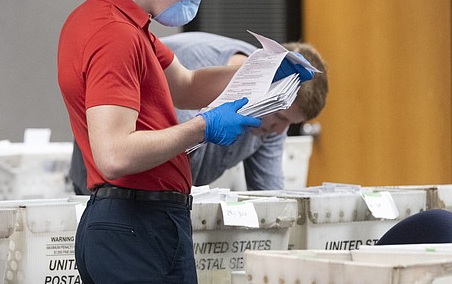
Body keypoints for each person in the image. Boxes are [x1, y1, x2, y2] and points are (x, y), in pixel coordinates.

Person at [58, 0, 313, 284]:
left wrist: (261, 71)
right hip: (141, 224)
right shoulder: (114, 36)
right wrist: (203, 128)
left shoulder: (116, 24)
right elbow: (114, 153)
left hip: (117, 224)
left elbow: (188, 84)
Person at [69, 32, 329, 195]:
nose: (279, 131)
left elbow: (270, 195)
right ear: (265, 87)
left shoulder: (275, 111)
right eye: (281, 118)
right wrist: (202, 128)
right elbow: (149, 157)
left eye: (291, 125)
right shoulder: (194, 67)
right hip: (107, 185)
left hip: (169, 197)